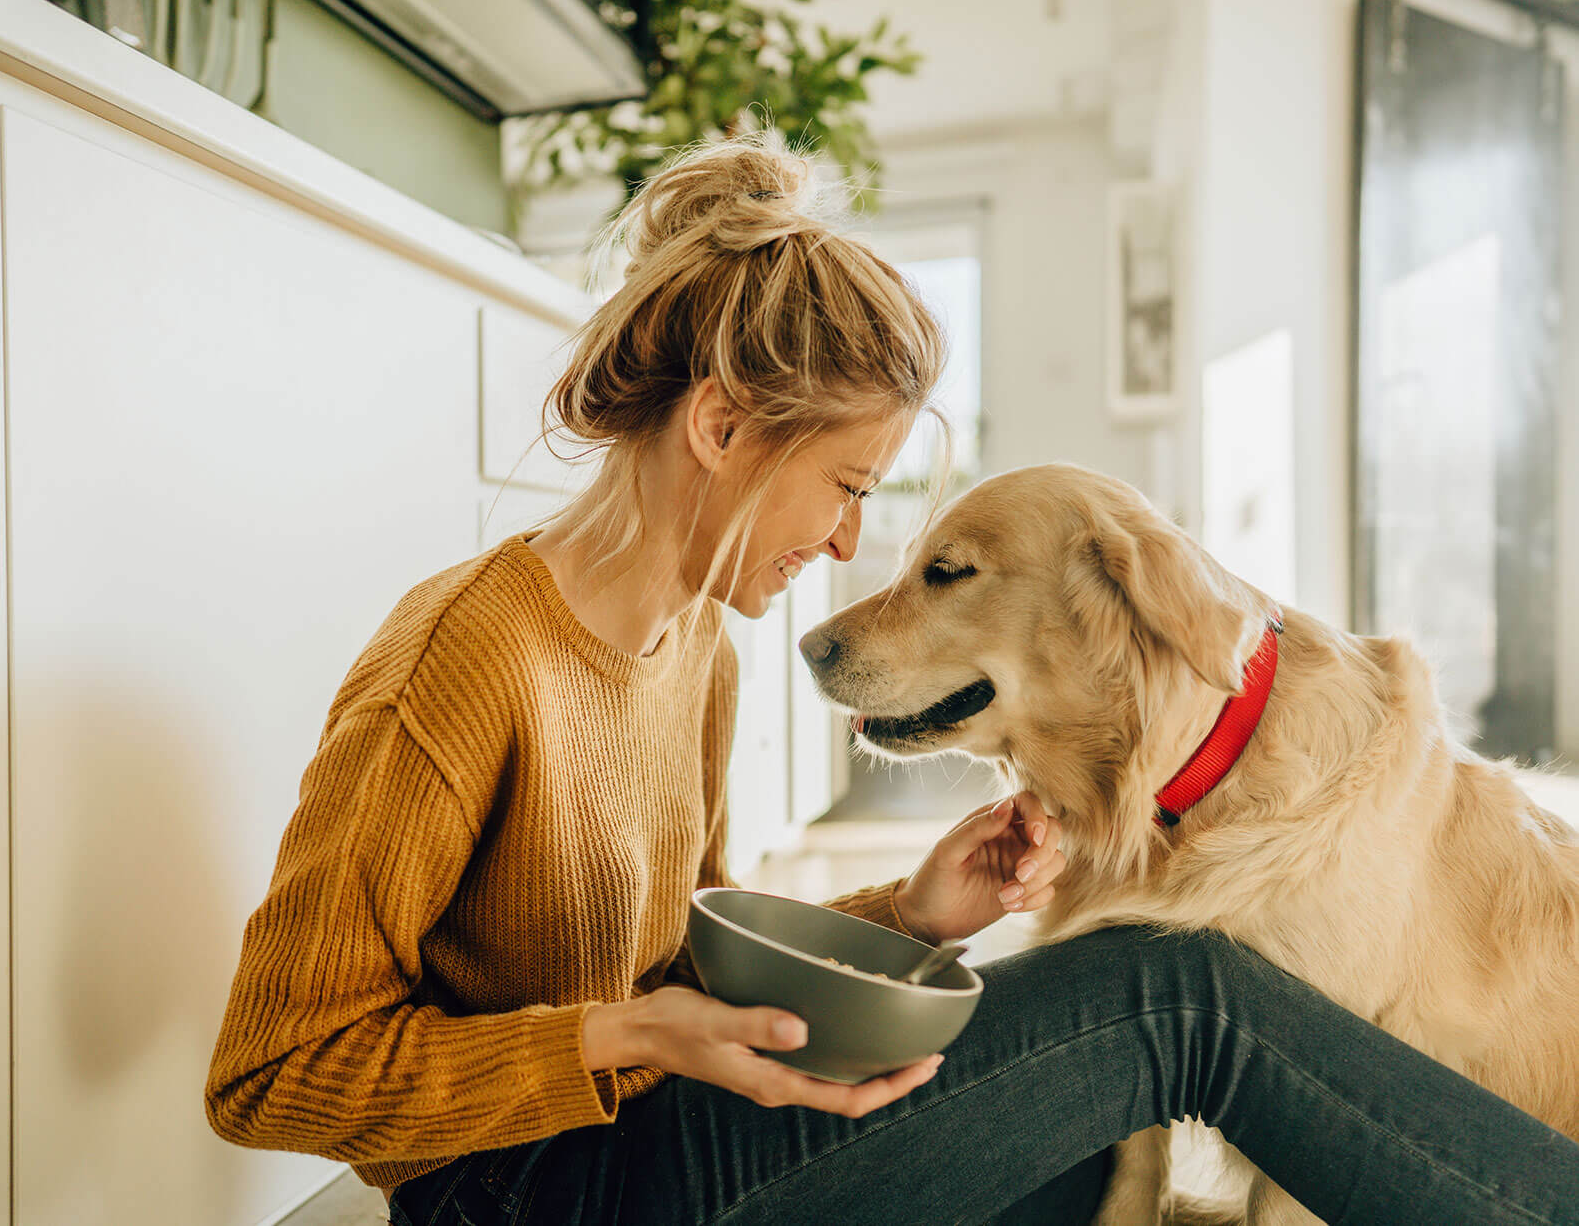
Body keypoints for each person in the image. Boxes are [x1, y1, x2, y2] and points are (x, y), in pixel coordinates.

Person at [203, 129, 1579, 1225]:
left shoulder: (690, 647)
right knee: (1174, 996)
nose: (850, 543)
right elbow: (271, 1078)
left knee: (1076, 1140)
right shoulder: (463, 659)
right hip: (531, 1195)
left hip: (655, 1136)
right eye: (848, 486)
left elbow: (691, 966)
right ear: (725, 425)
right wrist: (628, 1036)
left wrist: (916, 916)